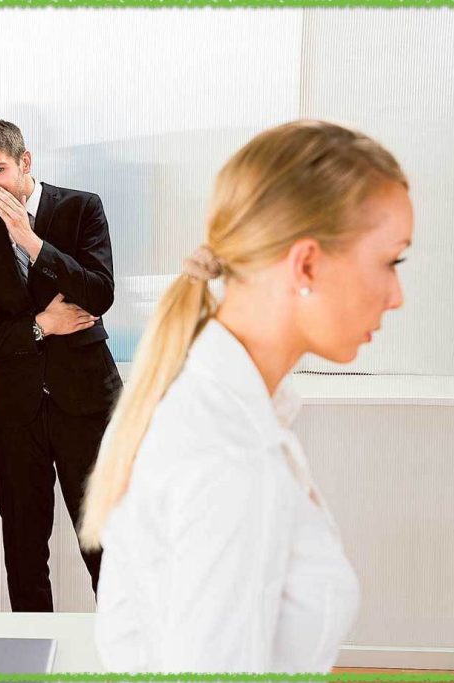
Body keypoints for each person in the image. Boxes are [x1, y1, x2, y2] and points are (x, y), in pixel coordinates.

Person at [80, 120, 413, 673]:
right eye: (390, 261)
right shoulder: (229, 457)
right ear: (306, 263)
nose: (396, 296)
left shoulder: (208, 399)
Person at [0, 119, 122, 612]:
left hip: (87, 407)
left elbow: (99, 294)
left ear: (25, 162)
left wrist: (31, 242)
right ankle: (33, 650)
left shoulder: (81, 209)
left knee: (107, 544)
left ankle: (124, 646)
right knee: (24, 551)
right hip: (15, 416)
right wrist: (40, 326)